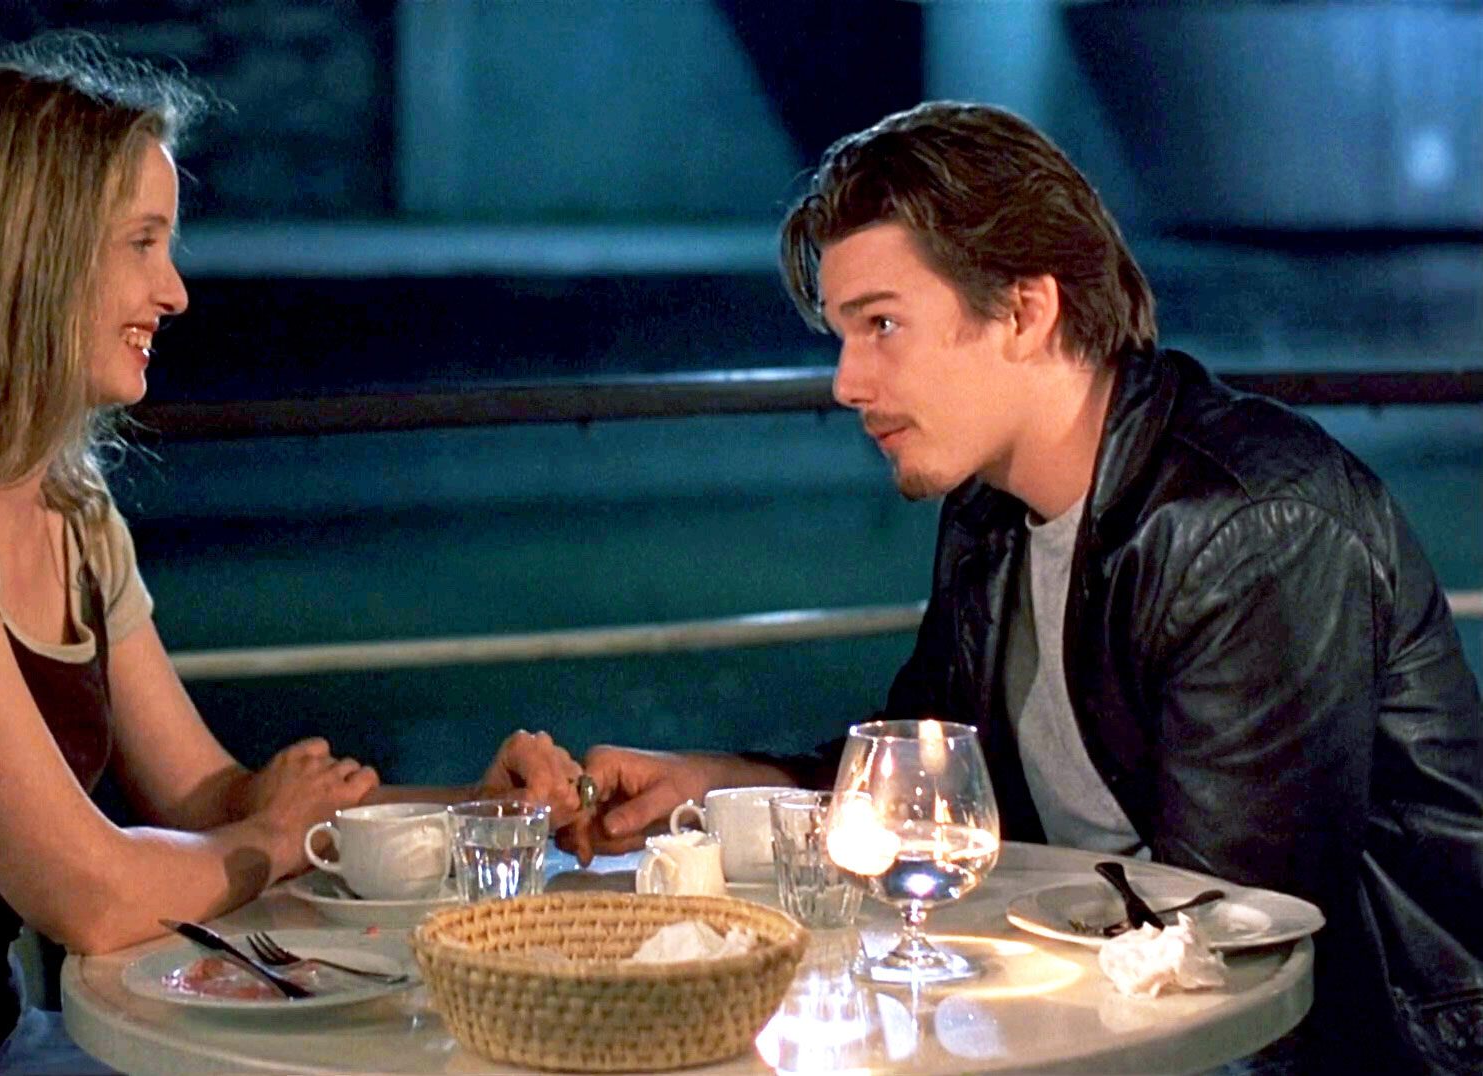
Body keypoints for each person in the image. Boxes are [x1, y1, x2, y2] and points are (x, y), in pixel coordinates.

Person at [0, 39, 584, 1075]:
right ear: (26, 261)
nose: (175, 290)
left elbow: (206, 797)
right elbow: (89, 894)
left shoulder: (71, 504)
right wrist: (275, 839)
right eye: (142, 242)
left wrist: (482, 813)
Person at [557, 102, 1483, 1074]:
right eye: (843, 334)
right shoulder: (991, 509)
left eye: (882, 325)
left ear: (1025, 312)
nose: (845, 382)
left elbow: (1228, 955)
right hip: (1101, 1009)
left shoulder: (1247, 530)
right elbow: (925, 782)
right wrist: (712, 784)